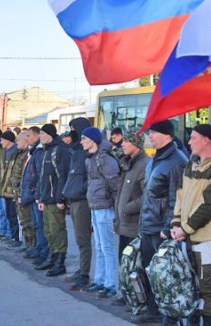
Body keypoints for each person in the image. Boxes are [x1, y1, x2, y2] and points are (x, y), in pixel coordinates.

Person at [170, 125, 211, 326]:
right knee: (189, 287)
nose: (189, 142)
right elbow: (180, 196)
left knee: (208, 290)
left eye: (193, 138)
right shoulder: (192, 164)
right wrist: (175, 223)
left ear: (206, 140)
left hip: (208, 239)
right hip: (187, 236)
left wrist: (185, 228)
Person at [134, 120, 188, 324]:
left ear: (167, 135)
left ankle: (170, 315)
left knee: (165, 276)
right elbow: (150, 194)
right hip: (148, 226)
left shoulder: (177, 161)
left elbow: (176, 198)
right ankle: (153, 309)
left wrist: (168, 227)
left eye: (153, 133)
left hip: (161, 229)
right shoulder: (157, 158)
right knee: (150, 272)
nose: (150, 137)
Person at [79, 127, 120, 299]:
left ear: (93, 140)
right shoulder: (90, 159)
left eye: (83, 138)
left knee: (108, 247)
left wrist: (116, 209)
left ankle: (111, 284)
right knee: (100, 246)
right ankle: (100, 280)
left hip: (105, 207)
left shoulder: (105, 160)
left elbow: (116, 186)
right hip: (95, 206)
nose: (81, 142)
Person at [35, 123, 71, 277]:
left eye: (42, 134)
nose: (40, 136)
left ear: (50, 134)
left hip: (55, 198)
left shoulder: (59, 150)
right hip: (46, 197)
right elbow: (43, 177)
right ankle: (52, 256)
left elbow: (62, 176)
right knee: (49, 230)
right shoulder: (45, 151)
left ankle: (60, 261)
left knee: (58, 230)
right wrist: (40, 197)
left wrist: (60, 198)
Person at [61, 117, 93, 291]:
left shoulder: (86, 151)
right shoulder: (76, 150)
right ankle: (81, 269)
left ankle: (84, 274)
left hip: (82, 201)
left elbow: (91, 176)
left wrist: (80, 190)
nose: (71, 132)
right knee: (79, 238)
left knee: (83, 239)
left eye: (74, 129)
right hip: (74, 199)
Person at [114, 131, 147, 259]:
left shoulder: (144, 165)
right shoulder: (128, 163)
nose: (123, 144)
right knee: (124, 267)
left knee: (131, 269)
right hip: (124, 226)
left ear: (136, 144)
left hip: (134, 228)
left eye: (126, 141)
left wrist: (126, 208)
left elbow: (147, 197)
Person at [22, 127, 48, 263]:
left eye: (29, 135)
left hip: (36, 195)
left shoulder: (39, 152)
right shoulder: (33, 151)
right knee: (36, 224)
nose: (27, 138)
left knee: (40, 224)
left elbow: (39, 176)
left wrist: (36, 193)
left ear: (37, 136)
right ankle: (38, 248)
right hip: (32, 194)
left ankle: (43, 250)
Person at [0, 130, 25, 247]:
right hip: (8, 189)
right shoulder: (14, 153)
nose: (17, 142)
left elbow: (19, 173)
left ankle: (17, 238)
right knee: (9, 214)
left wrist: (17, 190)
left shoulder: (20, 153)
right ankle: (13, 236)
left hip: (15, 190)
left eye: (19, 140)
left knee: (16, 216)